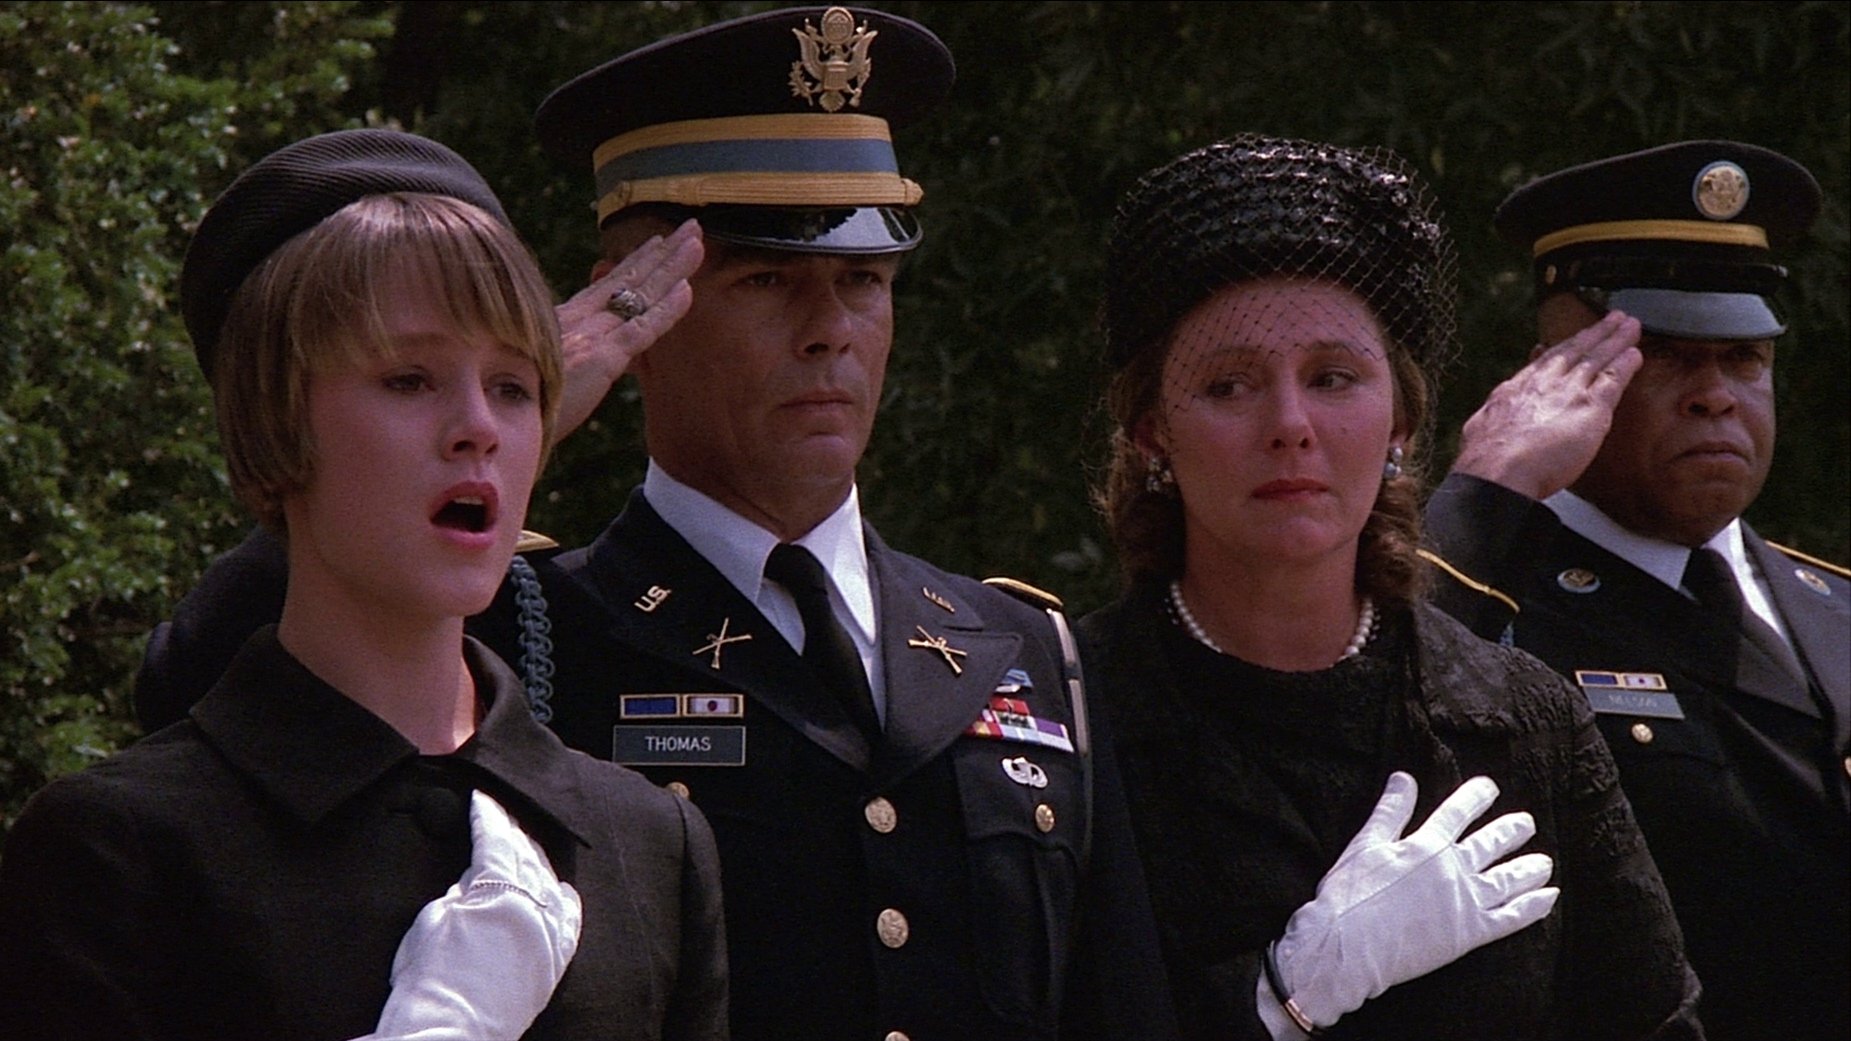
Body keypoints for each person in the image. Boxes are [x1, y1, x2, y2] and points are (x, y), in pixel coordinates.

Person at [130, 9, 1176, 1041]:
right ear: (634, 309)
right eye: (766, 279)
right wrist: (522, 408)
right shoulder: (518, 628)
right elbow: (203, 706)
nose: (829, 330)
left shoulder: (1021, 650)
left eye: (863, 280)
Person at [0, 129, 728, 1041]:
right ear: (276, 419)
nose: (478, 426)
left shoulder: (646, 844)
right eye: (409, 379)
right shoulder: (118, 852)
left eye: (513, 386)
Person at [1080, 134, 1703, 1040]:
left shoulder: (1523, 717)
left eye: (1333, 378)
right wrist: (1279, 997)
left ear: (1401, 420)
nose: (1290, 424)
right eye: (1227, 385)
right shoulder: (1073, 715)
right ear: (1150, 434)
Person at [1425, 140, 1849, 1041]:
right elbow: (1361, 705)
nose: (1715, 395)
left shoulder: (1835, 606)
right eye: (1662, 354)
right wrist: (1486, 492)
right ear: (1551, 374)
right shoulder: (1483, 601)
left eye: (1743, 357)